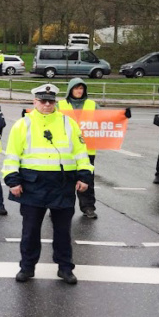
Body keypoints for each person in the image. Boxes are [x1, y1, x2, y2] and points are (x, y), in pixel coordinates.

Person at [2, 83, 93, 285]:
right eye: (42, 100)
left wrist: (84, 176)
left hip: (62, 183)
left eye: (50, 101)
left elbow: (80, 152)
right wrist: (12, 181)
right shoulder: (23, 124)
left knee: (63, 231)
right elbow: (12, 156)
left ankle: (65, 268)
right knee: (31, 230)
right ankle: (27, 267)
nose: (47, 104)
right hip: (33, 184)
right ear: (35, 101)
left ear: (55, 102)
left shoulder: (68, 123)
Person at [58, 78, 100, 219]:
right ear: (70, 89)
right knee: (63, 181)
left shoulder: (92, 105)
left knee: (87, 181)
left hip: (87, 150)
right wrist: (27, 114)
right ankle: (60, 207)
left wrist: (123, 116)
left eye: (81, 88)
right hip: (65, 150)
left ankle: (88, 207)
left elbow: (106, 119)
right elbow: (45, 117)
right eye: (76, 88)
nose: (79, 91)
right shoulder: (61, 105)